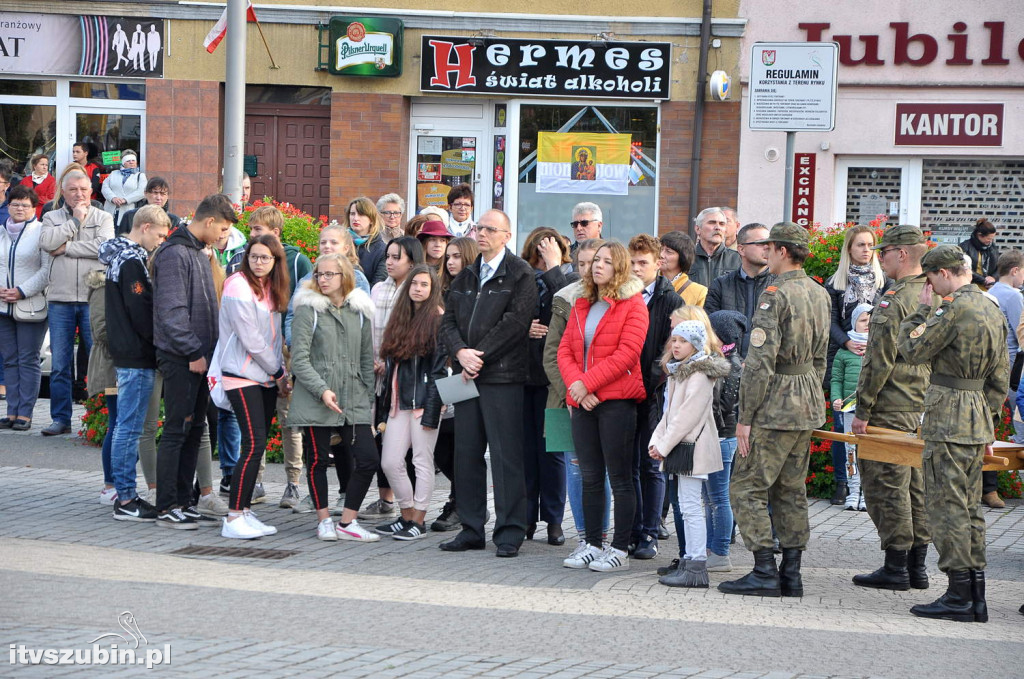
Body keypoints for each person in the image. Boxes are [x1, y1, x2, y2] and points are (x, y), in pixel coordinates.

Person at [897, 244, 1008, 623]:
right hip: (976, 414)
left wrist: (920, 311)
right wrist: (987, 415)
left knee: (946, 506)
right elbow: (1001, 374)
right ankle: (975, 594)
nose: (928, 286)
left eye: (929, 278)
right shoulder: (990, 305)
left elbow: (913, 350)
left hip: (949, 415)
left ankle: (958, 594)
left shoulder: (952, 306)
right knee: (969, 506)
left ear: (943, 273)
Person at [719, 222, 830, 598]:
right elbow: (820, 358)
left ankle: (764, 568)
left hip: (775, 403)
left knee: (746, 487)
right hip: (806, 399)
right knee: (790, 489)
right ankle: (791, 573)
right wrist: (812, 393)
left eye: (770, 247)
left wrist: (745, 418)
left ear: (781, 251)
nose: (765, 252)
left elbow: (759, 363)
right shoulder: (818, 292)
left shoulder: (774, 295)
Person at [438, 209, 535, 557]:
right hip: (465, 375)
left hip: (502, 376)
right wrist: (461, 353)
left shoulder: (520, 274)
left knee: (505, 455)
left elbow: (515, 323)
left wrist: (478, 355)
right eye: (479, 227)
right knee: (466, 453)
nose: (482, 234)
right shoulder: (466, 276)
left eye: (490, 229)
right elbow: (447, 322)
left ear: (507, 236)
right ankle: (470, 527)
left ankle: (510, 531)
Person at [847, 225, 933, 591]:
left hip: (892, 403)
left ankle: (896, 566)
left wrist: (862, 410)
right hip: (924, 402)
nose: (879, 257)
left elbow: (878, 360)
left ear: (902, 254)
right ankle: (917, 568)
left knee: (887, 484)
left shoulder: (894, 299)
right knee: (917, 485)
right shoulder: (936, 294)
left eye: (885, 251)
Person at [557, 241, 649, 571]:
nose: (598, 266)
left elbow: (628, 354)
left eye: (607, 261)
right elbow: (564, 351)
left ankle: (620, 548)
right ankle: (592, 543)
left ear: (619, 267)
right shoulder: (581, 301)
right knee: (590, 475)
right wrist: (578, 388)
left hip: (619, 402)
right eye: (596, 260)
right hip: (583, 399)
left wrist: (587, 384)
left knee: (621, 478)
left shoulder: (634, 304)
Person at [151, 194, 234, 529]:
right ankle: (167, 505)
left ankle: (184, 500)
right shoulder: (174, 253)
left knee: (194, 428)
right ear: (209, 221)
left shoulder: (199, 252)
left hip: (200, 357)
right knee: (176, 429)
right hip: (182, 358)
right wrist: (193, 353)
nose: (223, 236)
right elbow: (172, 313)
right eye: (223, 228)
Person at [289, 253, 380, 542]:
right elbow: (298, 360)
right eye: (319, 274)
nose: (323, 280)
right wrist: (322, 389)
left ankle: (348, 521)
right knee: (317, 460)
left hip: (353, 395)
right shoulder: (308, 309)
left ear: (345, 277)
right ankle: (324, 519)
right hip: (317, 395)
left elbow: (367, 358)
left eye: (330, 274)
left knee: (367, 459)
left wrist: (366, 394)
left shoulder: (360, 309)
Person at [228, 206, 312, 508]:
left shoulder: (298, 260)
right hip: (256, 365)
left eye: (258, 230)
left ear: (275, 234)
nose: (252, 237)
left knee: (290, 421)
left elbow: (304, 303)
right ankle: (255, 485)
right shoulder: (242, 277)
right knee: (257, 432)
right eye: (250, 232)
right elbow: (249, 332)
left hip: (284, 355)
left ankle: (293, 483)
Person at [214, 235, 290, 539]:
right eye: (254, 256)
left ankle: (244, 511)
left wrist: (275, 374)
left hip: (267, 377)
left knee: (255, 446)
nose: (259, 262)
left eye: (265, 257)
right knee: (253, 444)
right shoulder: (237, 285)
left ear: (275, 261)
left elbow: (273, 336)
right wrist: (279, 371)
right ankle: (233, 517)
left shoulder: (272, 287)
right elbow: (250, 338)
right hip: (242, 374)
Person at [543, 239, 611, 560]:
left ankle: (605, 538)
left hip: (607, 397)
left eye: (594, 263)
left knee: (604, 472)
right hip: (565, 399)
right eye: (581, 264)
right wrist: (575, 394)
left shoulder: (621, 301)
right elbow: (553, 356)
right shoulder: (564, 298)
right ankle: (585, 538)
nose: (587, 271)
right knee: (575, 471)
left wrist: (595, 389)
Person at [101, 205, 169, 522]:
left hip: (128, 351)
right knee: (128, 429)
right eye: (158, 235)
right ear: (144, 227)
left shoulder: (122, 256)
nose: (159, 242)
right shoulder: (131, 261)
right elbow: (140, 309)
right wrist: (159, 342)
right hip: (136, 354)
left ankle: (126, 494)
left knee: (126, 427)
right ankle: (127, 499)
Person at [651, 321, 727, 588]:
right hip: (681, 446)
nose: (675, 345)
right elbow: (668, 414)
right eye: (674, 340)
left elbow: (686, 418)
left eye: (682, 341)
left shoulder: (698, 375)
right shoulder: (678, 372)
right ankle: (690, 561)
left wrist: (663, 445)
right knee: (686, 505)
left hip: (692, 448)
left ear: (695, 344)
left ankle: (696, 565)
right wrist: (656, 440)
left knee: (692, 507)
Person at [39, 170, 114, 436]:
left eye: (83, 189)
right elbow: (47, 242)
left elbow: (104, 248)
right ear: (64, 191)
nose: (79, 194)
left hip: (93, 298)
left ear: (91, 191)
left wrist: (66, 248)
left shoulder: (104, 217)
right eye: (73, 190)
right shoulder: (50, 217)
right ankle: (61, 419)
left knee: (98, 361)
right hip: (60, 299)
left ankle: (97, 418)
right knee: (60, 364)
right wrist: (74, 222)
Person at [375, 265, 447, 539]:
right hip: (397, 400)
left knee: (421, 460)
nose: (418, 288)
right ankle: (406, 514)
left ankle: (419, 520)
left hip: (424, 401)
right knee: (390, 461)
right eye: (414, 283)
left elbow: (439, 369)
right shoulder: (401, 316)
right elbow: (393, 366)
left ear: (433, 289)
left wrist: (432, 407)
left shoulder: (438, 319)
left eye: (424, 285)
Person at [627, 233, 683, 560]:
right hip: (625, 393)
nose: (636, 269)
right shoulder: (621, 297)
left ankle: (650, 531)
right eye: (632, 262)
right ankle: (633, 529)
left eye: (643, 263)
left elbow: (667, 353)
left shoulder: (669, 300)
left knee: (651, 464)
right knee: (629, 466)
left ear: (658, 264)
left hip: (654, 395)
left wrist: (642, 384)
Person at [362, 236, 424, 521]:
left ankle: (410, 509)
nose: (389, 261)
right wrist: (373, 361)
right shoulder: (376, 289)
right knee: (380, 439)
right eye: (387, 256)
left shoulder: (417, 290)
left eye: (396, 257)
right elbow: (368, 330)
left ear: (411, 260)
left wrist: (390, 363)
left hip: (403, 378)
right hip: (376, 376)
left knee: (406, 450)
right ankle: (386, 499)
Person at [520, 227, 576, 546]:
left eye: (550, 250)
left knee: (554, 452)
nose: (544, 255)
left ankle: (554, 521)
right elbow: (507, 317)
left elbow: (570, 306)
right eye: (539, 250)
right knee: (527, 452)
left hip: (556, 383)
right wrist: (523, 328)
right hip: (525, 380)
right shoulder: (522, 277)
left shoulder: (569, 278)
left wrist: (554, 267)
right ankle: (526, 517)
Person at [825, 225, 887, 505]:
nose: (865, 250)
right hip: (844, 357)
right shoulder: (835, 283)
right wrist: (846, 343)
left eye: (870, 245)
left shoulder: (884, 283)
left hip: (875, 360)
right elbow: (831, 322)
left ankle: (868, 486)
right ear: (849, 248)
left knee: (872, 426)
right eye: (860, 244)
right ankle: (843, 483)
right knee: (842, 427)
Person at [431, 235, 479, 532]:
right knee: (440, 446)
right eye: (448, 256)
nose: (450, 262)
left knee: (460, 443)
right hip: (441, 374)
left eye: (458, 256)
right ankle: (459, 498)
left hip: (464, 374)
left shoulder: (474, 292)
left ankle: (460, 502)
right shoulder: (441, 291)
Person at [0, 185, 51, 431]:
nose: (19, 208)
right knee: (9, 360)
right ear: (8, 205)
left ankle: (25, 413)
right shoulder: (0, 232)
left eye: (25, 205)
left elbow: (46, 270)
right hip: (2, 306)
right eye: (15, 204)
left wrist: (21, 290)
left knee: (28, 359)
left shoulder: (41, 232)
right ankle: (11, 411)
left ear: (34, 208)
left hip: (30, 305)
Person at [705, 310, 748, 572]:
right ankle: (712, 548)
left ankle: (720, 551)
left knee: (719, 497)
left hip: (722, 438)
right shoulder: (722, 361)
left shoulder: (728, 366)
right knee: (711, 498)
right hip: (719, 437)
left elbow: (722, 407)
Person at [982, 249, 1024, 509]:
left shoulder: (991, 291)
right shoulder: (1013, 296)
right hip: (1008, 371)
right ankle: (991, 488)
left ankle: (988, 488)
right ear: (1015, 270)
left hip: (988, 368)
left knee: (989, 427)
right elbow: (1021, 337)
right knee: (1003, 428)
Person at [704, 223, 775, 356]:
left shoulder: (779, 285)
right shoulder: (721, 285)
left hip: (767, 369)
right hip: (728, 367)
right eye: (760, 243)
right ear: (741, 249)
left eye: (769, 243)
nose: (767, 248)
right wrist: (735, 361)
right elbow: (710, 330)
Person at [831, 303, 872, 511]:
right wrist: (837, 399)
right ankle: (853, 491)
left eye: (871, 321)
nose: (868, 324)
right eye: (864, 320)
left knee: (868, 451)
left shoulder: (878, 349)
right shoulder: (844, 353)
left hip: (872, 412)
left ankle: (867, 494)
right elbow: (836, 379)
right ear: (854, 322)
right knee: (850, 450)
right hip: (849, 410)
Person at [85, 265, 118, 505]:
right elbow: (102, 330)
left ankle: (119, 481)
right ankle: (110, 485)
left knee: (127, 427)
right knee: (117, 425)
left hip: (127, 362)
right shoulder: (102, 286)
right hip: (110, 365)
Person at [690, 207, 741, 288]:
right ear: (698, 229)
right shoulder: (685, 257)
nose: (718, 227)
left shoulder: (738, 259)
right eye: (712, 223)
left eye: (722, 224)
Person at [116, 177, 181, 235]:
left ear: (167, 196)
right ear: (145, 193)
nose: (158, 198)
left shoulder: (174, 220)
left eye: (163, 194)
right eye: (155, 193)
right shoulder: (130, 216)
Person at [659, 231, 707, 306]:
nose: (661, 255)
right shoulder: (647, 284)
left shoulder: (699, 292)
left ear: (683, 257)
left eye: (668, 251)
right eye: (660, 249)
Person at [348, 196, 388, 285]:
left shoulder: (382, 250)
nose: (355, 218)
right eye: (352, 214)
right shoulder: (339, 243)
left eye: (361, 214)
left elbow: (378, 284)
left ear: (371, 219)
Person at [101, 151, 146, 226]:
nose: (131, 162)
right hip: (111, 210)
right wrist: (113, 198)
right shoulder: (113, 173)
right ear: (123, 163)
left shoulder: (140, 176)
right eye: (128, 161)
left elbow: (141, 192)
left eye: (133, 160)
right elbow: (105, 187)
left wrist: (125, 199)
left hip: (128, 210)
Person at [960, 219, 999, 289]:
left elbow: (999, 266)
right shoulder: (965, 247)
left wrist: (993, 278)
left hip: (989, 287)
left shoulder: (992, 247)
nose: (990, 241)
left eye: (992, 239)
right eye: (988, 239)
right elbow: (964, 269)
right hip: (971, 287)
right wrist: (984, 280)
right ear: (980, 235)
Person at [19, 154, 55, 220]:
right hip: (25, 213)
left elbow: (50, 199)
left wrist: (31, 198)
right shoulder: (25, 180)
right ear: (35, 166)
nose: (45, 167)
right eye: (42, 164)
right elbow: (19, 196)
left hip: (43, 214)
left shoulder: (51, 180)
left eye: (46, 165)